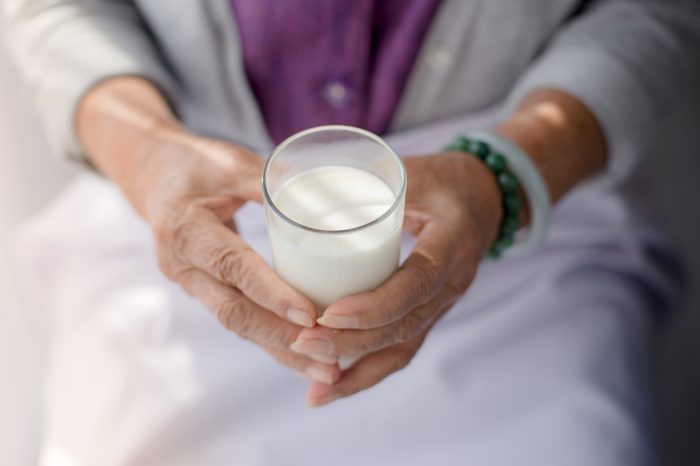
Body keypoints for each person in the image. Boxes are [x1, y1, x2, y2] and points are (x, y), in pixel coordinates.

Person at [3, 0, 700, 464]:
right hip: (195, 212)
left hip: (524, 221)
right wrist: (144, 149)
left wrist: (506, 174)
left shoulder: (511, 191)